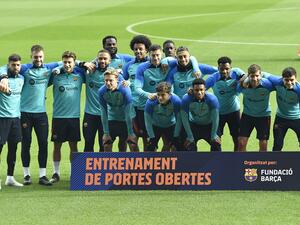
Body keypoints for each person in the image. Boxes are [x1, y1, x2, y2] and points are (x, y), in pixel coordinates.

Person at [0, 45, 60, 186]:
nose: (38, 59)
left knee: (42, 144)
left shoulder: (46, 69)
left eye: (40, 57)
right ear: (31, 57)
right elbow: (4, 66)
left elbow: (65, 62)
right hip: (24, 114)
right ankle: (26, 175)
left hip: (40, 113)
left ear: (43, 57)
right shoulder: (25, 70)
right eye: (35, 57)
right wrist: (3, 77)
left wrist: (79, 64)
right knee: (25, 144)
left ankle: (42, 176)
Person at [49, 51, 85, 183]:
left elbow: (90, 67)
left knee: (73, 147)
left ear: (74, 63)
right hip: (58, 117)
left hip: (74, 117)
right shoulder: (56, 76)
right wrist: (58, 67)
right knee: (57, 146)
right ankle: (56, 173)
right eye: (65, 62)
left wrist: (80, 63)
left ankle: (73, 173)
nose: (67, 64)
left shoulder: (80, 75)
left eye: (70, 62)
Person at [205, 56, 245, 151]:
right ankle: (217, 161)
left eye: (227, 69)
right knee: (215, 140)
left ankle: (236, 160)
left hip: (234, 112)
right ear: (218, 68)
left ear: (231, 68)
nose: (224, 71)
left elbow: (246, 75)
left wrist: (241, 79)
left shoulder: (236, 73)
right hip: (218, 113)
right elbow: (201, 89)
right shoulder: (212, 78)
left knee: (237, 139)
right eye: (221, 69)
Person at [123, 35, 152, 151]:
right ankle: (136, 165)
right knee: (132, 139)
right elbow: (123, 82)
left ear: (146, 50)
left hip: (147, 105)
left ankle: (148, 167)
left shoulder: (152, 64)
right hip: (133, 106)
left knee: (148, 139)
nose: (138, 51)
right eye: (136, 49)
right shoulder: (129, 65)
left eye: (141, 49)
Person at [98, 67, 138, 152]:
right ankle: (107, 165)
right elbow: (103, 113)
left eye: (110, 80)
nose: (108, 83)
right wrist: (106, 133)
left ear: (117, 79)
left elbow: (128, 113)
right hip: (112, 118)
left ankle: (136, 164)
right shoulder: (101, 91)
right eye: (106, 80)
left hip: (127, 119)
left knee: (132, 144)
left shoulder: (125, 90)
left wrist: (130, 133)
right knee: (106, 144)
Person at [0, 54, 24, 187]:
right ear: (8, 65)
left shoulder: (22, 78)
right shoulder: (2, 78)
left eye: (18, 65)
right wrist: (3, 78)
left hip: (16, 119)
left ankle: (10, 177)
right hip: (2, 118)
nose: (16, 67)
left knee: (13, 148)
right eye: (13, 65)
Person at [238, 64, 274, 152]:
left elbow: (281, 85)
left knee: (263, 144)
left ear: (261, 75)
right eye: (252, 76)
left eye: (257, 76)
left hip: (264, 116)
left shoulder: (267, 84)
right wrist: (242, 80)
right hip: (247, 115)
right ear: (248, 76)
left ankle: (261, 164)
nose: (255, 79)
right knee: (241, 142)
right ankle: (242, 164)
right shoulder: (242, 86)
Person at [82, 49, 111, 152]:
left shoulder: (113, 74)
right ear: (96, 59)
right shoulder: (89, 71)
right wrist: (84, 63)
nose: (102, 61)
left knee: (103, 145)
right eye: (100, 58)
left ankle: (102, 168)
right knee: (88, 143)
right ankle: (86, 168)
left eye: (105, 59)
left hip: (106, 115)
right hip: (90, 114)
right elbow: (72, 64)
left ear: (110, 60)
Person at [181, 78, 221, 151]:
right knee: (188, 145)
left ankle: (216, 162)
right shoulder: (186, 99)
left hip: (210, 125)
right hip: (194, 125)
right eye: (196, 90)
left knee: (216, 144)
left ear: (205, 89)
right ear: (192, 90)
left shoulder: (212, 99)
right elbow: (184, 118)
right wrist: (190, 136)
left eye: (201, 90)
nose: (199, 92)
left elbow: (215, 118)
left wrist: (214, 134)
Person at [267, 67, 300, 151]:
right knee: (277, 145)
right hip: (281, 118)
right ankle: (275, 163)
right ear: (282, 79)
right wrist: (245, 78)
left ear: (296, 78)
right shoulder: (277, 82)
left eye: (292, 80)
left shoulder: (299, 90)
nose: (289, 83)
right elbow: (263, 73)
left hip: (297, 119)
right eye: (286, 80)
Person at [144, 82, 181, 151]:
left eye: (163, 95)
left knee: (178, 146)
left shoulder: (176, 101)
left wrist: (176, 135)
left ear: (169, 94)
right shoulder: (150, 102)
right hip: (155, 126)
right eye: (158, 95)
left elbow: (179, 120)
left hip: (171, 126)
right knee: (150, 148)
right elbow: (147, 121)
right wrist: (151, 137)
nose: (160, 98)